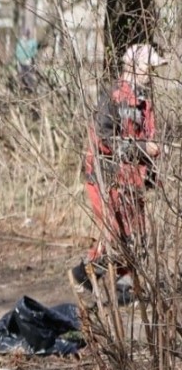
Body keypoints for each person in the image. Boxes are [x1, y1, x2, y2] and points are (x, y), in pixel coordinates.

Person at [70, 43, 167, 303]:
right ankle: (83, 276)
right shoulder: (112, 96)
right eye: (150, 68)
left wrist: (148, 169)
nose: (153, 74)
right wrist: (142, 148)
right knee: (119, 239)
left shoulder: (145, 100)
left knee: (137, 240)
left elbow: (146, 139)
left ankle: (121, 288)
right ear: (134, 67)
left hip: (129, 181)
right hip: (106, 178)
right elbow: (104, 140)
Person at [14, 27, 39, 93]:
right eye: (24, 35)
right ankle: (22, 89)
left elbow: (35, 52)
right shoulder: (19, 42)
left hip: (29, 61)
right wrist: (18, 60)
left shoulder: (32, 42)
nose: (24, 36)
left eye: (26, 35)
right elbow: (17, 52)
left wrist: (30, 57)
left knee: (29, 75)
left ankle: (31, 89)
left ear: (28, 35)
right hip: (20, 61)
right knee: (21, 75)